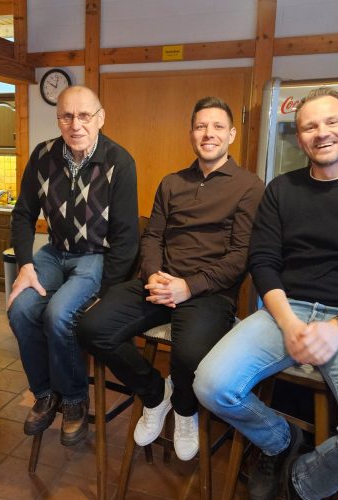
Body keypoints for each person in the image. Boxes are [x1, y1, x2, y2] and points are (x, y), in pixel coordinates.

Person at [194, 88, 338, 499]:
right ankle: (280, 441)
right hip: (286, 309)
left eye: (332, 122)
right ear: (299, 138)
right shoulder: (282, 189)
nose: (322, 132)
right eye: (310, 126)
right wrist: (289, 323)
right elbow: (263, 263)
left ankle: (302, 481)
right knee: (210, 386)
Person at [76, 96, 264, 460]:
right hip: (159, 283)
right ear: (191, 133)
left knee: (190, 354)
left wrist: (188, 287)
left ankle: (184, 407)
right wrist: (154, 276)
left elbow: (241, 255)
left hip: (209, 292)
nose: (208, 134)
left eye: (217, 127)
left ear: (231, 134)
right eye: (200, 126)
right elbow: (152, 237)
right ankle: (155, 394)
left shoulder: (249, 186)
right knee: (90, 328)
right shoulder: (172, 182)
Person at [7, 85, 139, 446]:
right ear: (58, 119)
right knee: (20, 308)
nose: (75, 124)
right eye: (67, 116)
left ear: (100, 118)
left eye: (84, 115)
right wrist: (25, 265)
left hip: (94, 256)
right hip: (53, 252)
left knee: (58, 314)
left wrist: (107, 294)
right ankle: (44, 392)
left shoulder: (119, 161)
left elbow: (127, 237)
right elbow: (23, 215)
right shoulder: (43, 155)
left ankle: (74, 398)